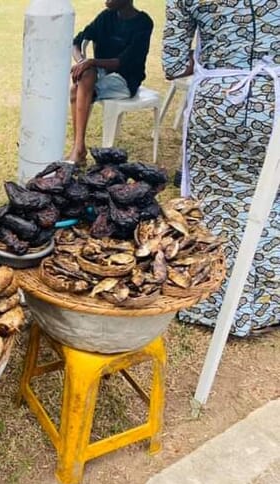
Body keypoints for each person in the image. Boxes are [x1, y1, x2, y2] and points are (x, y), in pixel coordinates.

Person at [163, 1, 280, 337]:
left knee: (215, 207)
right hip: (274, 102)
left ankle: (213, 304)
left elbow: (172, 64)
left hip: (218, 104)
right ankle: (265, 306)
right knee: (271, 204)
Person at [67, 0, 153, 164]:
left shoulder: (143, 23)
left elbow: (123, 62)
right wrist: (82, 62)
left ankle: (78, 151)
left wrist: (90, 63)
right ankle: (79, 148)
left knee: (78, 86)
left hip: (126, 79)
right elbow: (76, 42)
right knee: (84, 76)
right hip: (103, 73)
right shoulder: (106, 17)